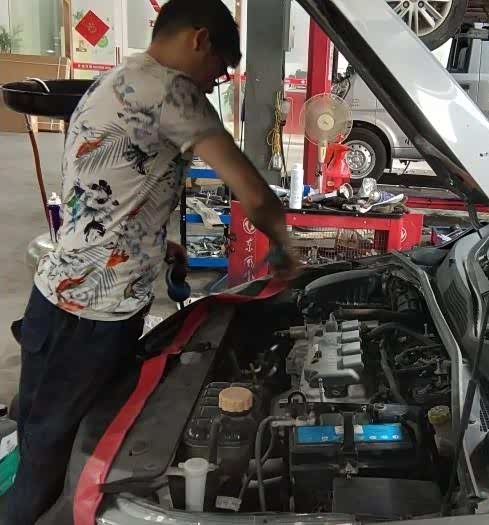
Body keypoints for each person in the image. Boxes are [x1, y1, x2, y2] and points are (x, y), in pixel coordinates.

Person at [6, 0, 294, 522]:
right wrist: (285, 247)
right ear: (199, 40)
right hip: (92, 318)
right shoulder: (173, 90)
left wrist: (154, 245)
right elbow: (252, 192)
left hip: (58, 300)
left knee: (42, 440)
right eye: (219, 71)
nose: (212, 84)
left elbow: (102, 191)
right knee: (57, 464)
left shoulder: (118, 78)